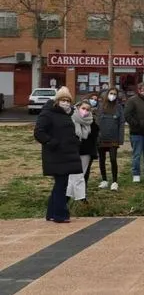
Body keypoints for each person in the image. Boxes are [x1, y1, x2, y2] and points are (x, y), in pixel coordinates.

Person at [33, 87, 82, 223]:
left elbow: (65, 133)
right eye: (63, 100)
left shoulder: (66, 114)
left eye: (68, 100)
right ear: (57, 101)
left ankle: (51, 213)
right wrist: (51, 142)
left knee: (60, 184)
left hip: (66, 154)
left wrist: (74, 141)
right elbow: (39, 132)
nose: (66, 103)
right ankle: (60, 214)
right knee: (61, 184)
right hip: (55, 155)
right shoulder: (48, 113)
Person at [67, 100, 99, 203]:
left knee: (81, 175)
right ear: (78, 107)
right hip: (73, 150)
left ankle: (81, 198)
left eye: (87, 109)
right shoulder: (71, 119)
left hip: (86, 151)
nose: (85, 111)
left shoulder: (92, 122)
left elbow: (94, 136)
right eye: (83, 108)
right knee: (72, 175)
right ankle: (68, 197)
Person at [96, 88, 125, 191]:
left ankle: (114, 181)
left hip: (113, 138)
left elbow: (121, 123)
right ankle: (104, 180)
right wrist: (96, 136)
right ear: (107, 94)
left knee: (113, 159)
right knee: (102, 160)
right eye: (111, 93)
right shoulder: (101, 106)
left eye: (114, 94)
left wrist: (120, 138)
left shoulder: (119, 107)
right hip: (101, 137)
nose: (112, 95)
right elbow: (97, 122)